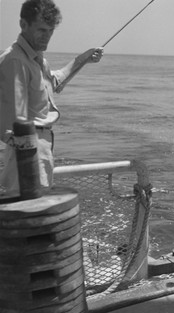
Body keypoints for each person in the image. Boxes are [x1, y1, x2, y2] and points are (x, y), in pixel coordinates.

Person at [0, 0, 103, 196]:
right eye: (41, 30)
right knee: (29, 215)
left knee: (38, 214)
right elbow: (15, 123)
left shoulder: (37, 59)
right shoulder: (15, 61)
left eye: (50, 31)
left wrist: (83, 59)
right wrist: (28, 168)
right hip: (28, 152)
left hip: (40, 148)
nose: (46, 37)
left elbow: (53, 82)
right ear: (23, 25)